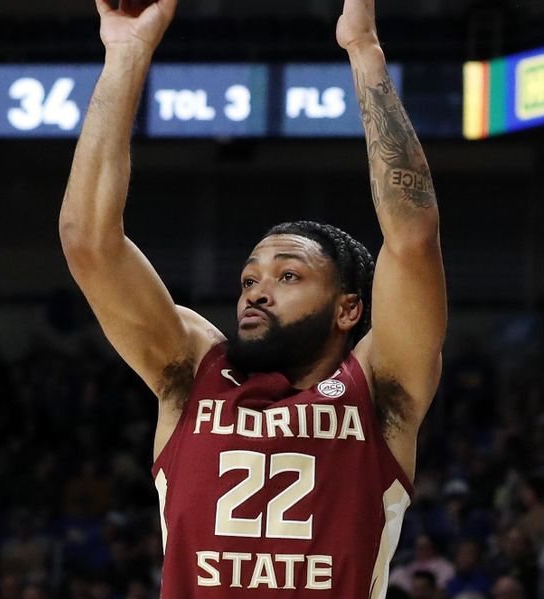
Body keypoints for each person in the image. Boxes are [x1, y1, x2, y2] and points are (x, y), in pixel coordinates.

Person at [60, 0, 446, 596]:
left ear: (348, 308)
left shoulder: (381, 390)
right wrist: (127, 55)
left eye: (288, 276)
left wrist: (363, 49)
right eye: (248, 279)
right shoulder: (192, 370)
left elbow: (413, 240)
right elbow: (88, 242)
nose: (257, 292)